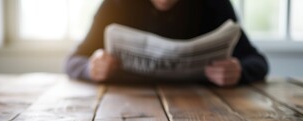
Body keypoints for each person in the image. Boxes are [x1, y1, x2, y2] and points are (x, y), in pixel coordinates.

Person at [64, 0, 269, 87]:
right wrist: (90, 68)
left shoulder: (214, 4)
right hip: (121, 112)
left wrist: (239, 70)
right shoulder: (115, 4)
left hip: (205, 114)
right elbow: (73, 60)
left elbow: (258, 61)